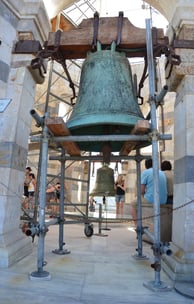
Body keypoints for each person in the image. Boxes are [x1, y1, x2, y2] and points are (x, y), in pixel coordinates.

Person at [130, 158, 167, 227]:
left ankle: (137, 226)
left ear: (146, 165)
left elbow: (141, 191)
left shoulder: (146, 172)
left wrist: (143, 194)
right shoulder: (161, 172)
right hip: (163, 199)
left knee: (133, 204)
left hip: (152, 199)